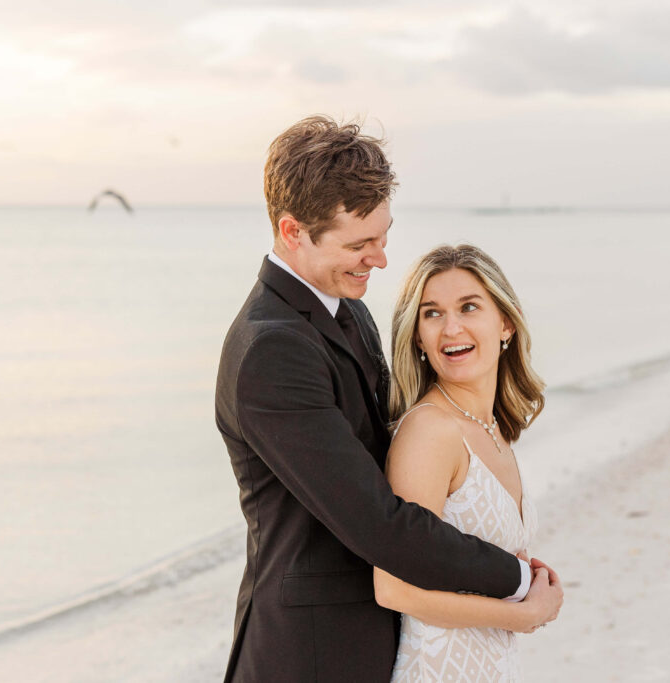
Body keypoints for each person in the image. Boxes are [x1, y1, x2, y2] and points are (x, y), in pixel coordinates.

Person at [215, 116, 562, 683]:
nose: (378, 259)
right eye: (359, 244)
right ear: (292, 231)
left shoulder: (347, 309)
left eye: (383, 236)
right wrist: (519, 582)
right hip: (310, 655)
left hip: (384, 641)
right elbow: (379, 524)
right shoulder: (271, 350)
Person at [375, 244, 563, 681]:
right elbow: (394, 588)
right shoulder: (430, 431)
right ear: (418, 336)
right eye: (432, 313)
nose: (450, 328)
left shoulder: (491, 428)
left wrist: (527, 581)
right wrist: (522, 614)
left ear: (506, 324)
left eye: (468, 307)